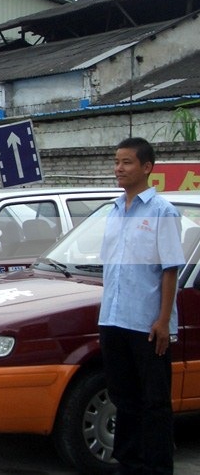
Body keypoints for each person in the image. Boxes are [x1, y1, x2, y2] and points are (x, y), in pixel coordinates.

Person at [98, 137, 184, 473]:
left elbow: (170, 269)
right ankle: (128, 463)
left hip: (147, 324)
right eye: (116, 161)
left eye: (127, 162)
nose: (119, 168)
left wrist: (163, 321)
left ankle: (158, 467)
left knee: (155, 403)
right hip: (114, 319)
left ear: (147, 167)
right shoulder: (114, 209)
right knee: (123, 398)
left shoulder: (163, 211)